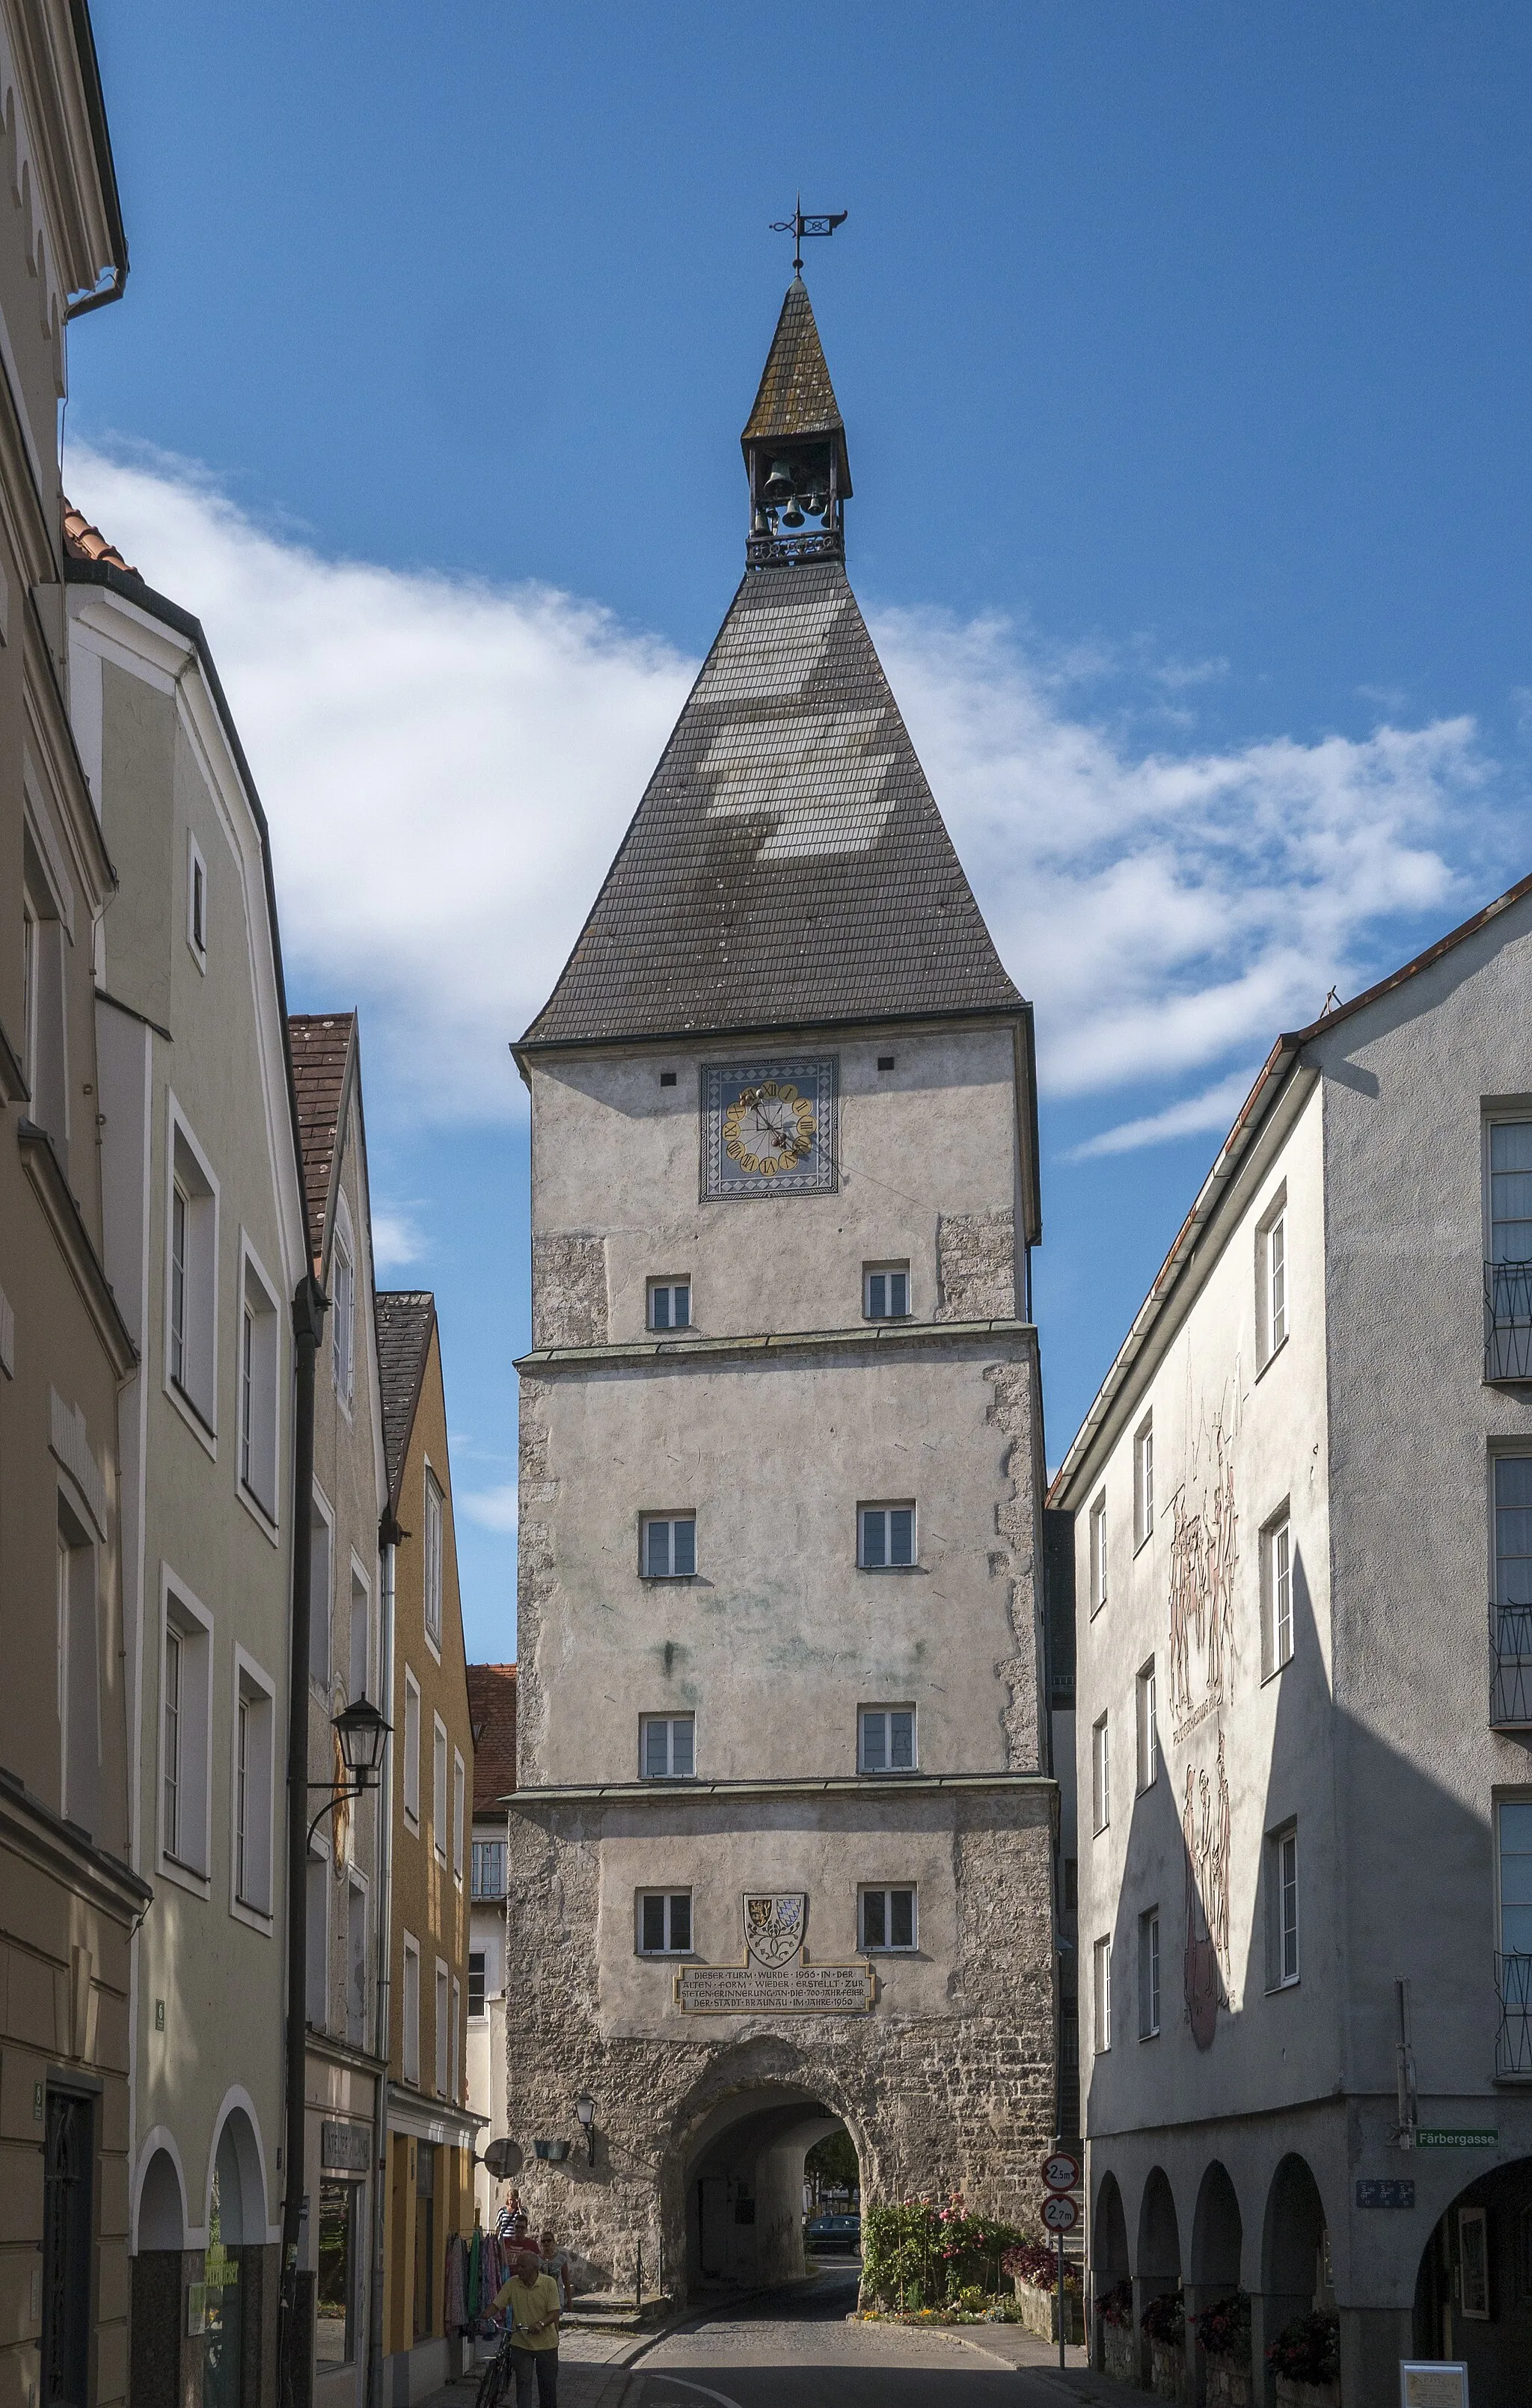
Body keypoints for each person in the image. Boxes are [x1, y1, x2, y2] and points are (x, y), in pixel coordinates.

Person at [492, 2242, 560, 2405]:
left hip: (546, 2345)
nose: (518, 2269)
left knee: (547, 2386)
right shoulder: (513, 2283)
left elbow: (554, 2312)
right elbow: (497, 2304)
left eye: (523, 2267)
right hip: (521, 2343)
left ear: (534, 2268)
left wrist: (541, 2324)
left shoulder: (548, 2284)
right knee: (523, 2383)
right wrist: (484, 2316)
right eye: (517, 2266)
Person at [538, 2229, 574, 2309]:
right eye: (543, 2241)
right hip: (540, 2297)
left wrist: (569, 2299)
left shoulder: (561, 2259)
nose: (546, 2243)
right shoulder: (536, 2260)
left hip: (556, 2297)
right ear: (540, 2244)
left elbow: (566, 2280)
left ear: (553, 2242)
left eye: (549, 2240)